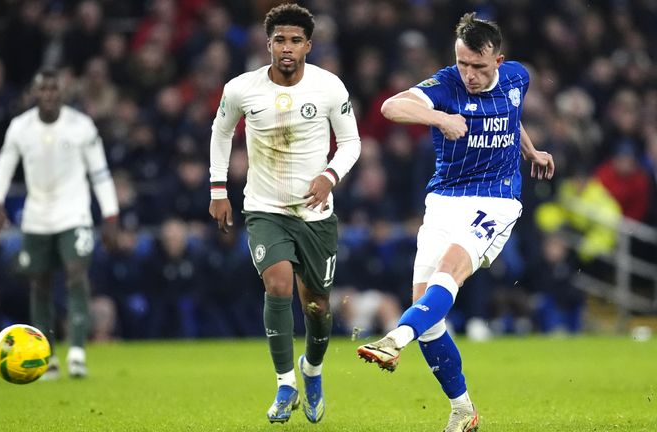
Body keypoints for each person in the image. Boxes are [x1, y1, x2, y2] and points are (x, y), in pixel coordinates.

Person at [356, 13, 554, 432]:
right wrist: (439, 118)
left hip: (496, 201)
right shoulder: (446, 84)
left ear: (498, 60)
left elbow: (511, 117)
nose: (469, 75)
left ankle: (395, 339)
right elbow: (392, 107)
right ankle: (463, 409)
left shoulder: (518, 77)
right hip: (444, 202)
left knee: (447, 275)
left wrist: (530, 151)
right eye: (462, 63)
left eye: (479, 67)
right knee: (430, 319)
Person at [208, 3, 361, 424]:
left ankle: (312, 369)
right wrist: (218, 188)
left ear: (308, 45)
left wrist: (330, 175)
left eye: (295, 40)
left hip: (315, 213)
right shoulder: (241, 88)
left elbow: (352, 143)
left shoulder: (329, 87)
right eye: (280, 40)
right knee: (277, 286)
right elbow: (221, 133)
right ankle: (285, 383)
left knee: (316, 306)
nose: (287, 48)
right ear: (268, 43)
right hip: (264, 207)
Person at [0, 69, 119, 379]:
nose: (48, 94)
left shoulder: (81, 126)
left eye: (53, 89)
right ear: (34, 93)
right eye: (42, 89)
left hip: (75, 213)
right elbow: (3, 168)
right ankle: (46, 355)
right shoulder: (20, 128)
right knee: (40, 282)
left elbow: (99, 173)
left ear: (62, 92)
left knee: (76, 273)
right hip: (37, 216)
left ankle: (76, 351)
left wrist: (111, 215)